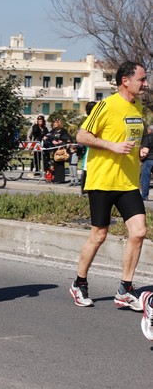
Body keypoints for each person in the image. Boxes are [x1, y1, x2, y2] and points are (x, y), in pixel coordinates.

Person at [70, 60, 148, 310]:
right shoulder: (106, 105)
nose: (145, 84)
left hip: (127, 182)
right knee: (99, 235)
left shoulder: (137, 107)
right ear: (125, 80)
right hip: (103, 180)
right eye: (142, 79)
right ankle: (79, 283)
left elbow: (131, 141)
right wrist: (112, 146)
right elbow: (82, 136)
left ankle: (125, 289)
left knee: (138, 232)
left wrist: (141, 150)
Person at [46, 116, 71, 184]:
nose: (55, 123)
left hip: (61, 150)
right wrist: (52, 141)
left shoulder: (63, 130)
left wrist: (61, 141)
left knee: (60, 164)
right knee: (55, 164)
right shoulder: (53, 130)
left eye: (57, 122)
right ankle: (55, 178)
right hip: (55, 149)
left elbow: (67, 138)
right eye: (54, 122)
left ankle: (61, 179)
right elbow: (48, 136)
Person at [80, 101, 97, 195]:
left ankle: (85, 192)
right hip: (91, 154)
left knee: (87, 174)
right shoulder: (91, 122)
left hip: (91, 155)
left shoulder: (87, 122)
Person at [139, 124, 153, 201]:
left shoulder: (148, 137)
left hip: (149, 160)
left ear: (150, 130)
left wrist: (141, 158)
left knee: (145, 178)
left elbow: (145, 151)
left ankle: (144, 195)